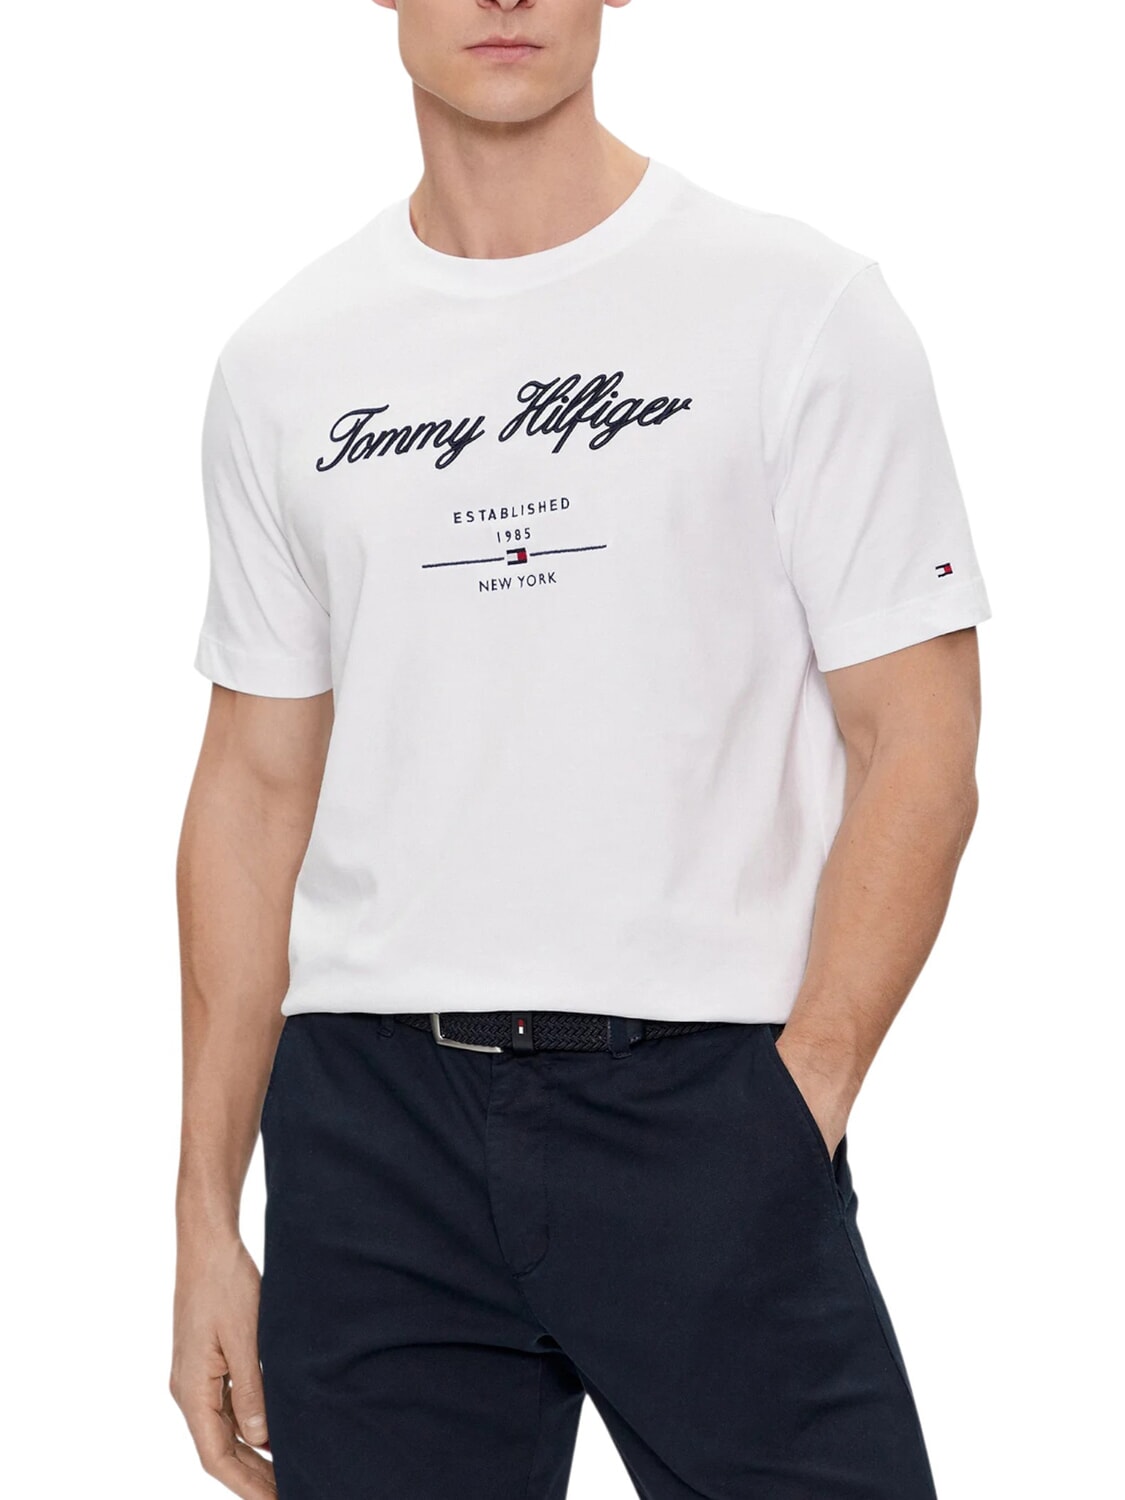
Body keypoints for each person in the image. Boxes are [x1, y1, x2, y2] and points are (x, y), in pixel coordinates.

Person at [170, 1, 991, 1496]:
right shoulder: (285, 360)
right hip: (370, 1135)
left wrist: (798, 1098)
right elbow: (253, 787)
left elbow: (919, 735)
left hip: (703, 1095)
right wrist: (206, 1222)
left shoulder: (795, 307)